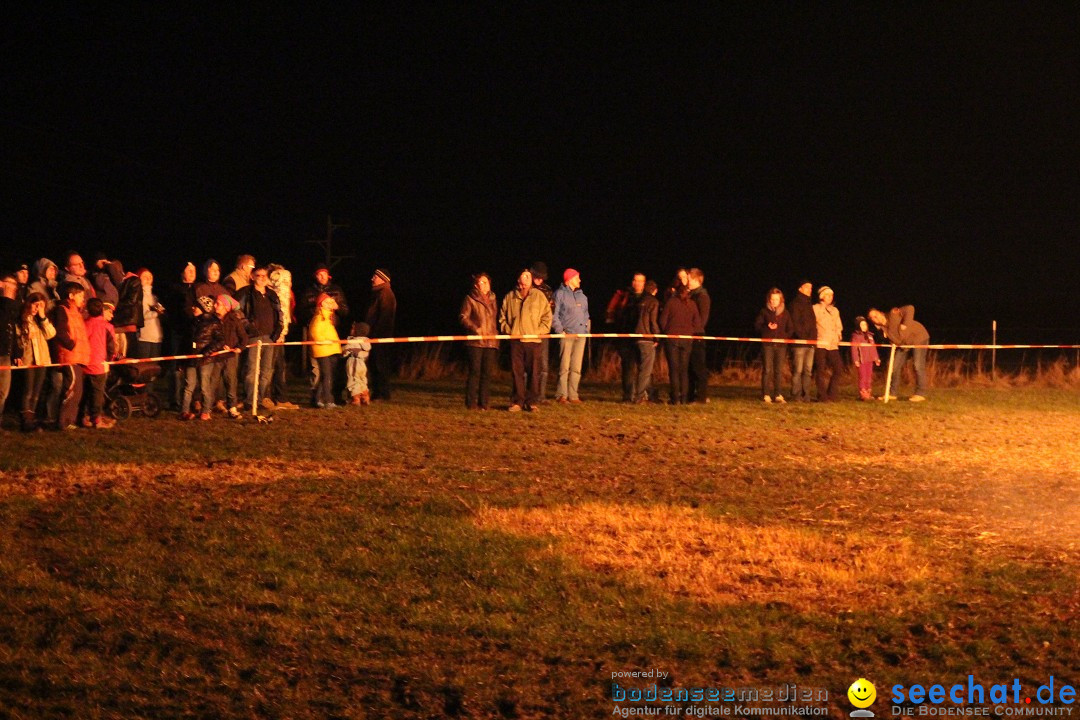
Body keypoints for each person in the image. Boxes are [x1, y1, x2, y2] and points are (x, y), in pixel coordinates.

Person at [498, 268, 552, 412]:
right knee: (517, 372)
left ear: (531, 280)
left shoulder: (539, 296)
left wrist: (538, 332)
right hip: (516, 341)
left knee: (534, 373)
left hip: (533, 341)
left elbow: (547, 317)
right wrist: (509, 331)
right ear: (518, 279)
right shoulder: (510, 297)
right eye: (523, 276)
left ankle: (531, 402)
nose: (526, 279)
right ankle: (517, 401)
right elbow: (502, 317)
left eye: (528, 277)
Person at [300, 265, 349, 400]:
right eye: (319, 274)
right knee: (316, 368)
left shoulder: (336, 290)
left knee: (333, 368)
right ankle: (317, 398)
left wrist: (336, 307)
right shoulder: (309, 291)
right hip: (317, 333)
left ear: (329, 276)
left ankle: (334, 396)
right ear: (315, 276)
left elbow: (345, 311)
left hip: (333, 331)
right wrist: (317, 312)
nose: (322, 277)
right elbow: (302, 312)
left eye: (324, 274)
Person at [237, 266, 282, 410]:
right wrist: (248, 327)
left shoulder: (272, 295)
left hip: (270, 337)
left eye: (264, 275)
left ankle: (260, 399)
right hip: (254, 337)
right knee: (252, 370)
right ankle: (250, 400)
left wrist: (278, 331)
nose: (262, 278)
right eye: (259, 275)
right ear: (252, 276)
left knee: (267, 371)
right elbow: (237, 311)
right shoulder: (245, 293)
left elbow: (280, 313)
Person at [50, 282, 91, 430]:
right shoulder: (62, 309)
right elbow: (61, 331)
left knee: (78, 391)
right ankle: (63, 421)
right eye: (80, 295)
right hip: (70, 356)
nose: (83, 299)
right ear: (71, 295)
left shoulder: (76, 312)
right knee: (71, 389)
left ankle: (70, 421)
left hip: (78, 356)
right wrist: (71, 345)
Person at [868, 306, 930, 402]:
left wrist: (905, 324)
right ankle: (893, 393)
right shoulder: (883, 331)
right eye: (872, 318)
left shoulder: (893, 314)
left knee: (918, 365)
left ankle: (920, 394)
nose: (875, 318)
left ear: (880, 312)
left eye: (875, 315)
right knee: (894, 366)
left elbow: (910, 308)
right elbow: (895, 340)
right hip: (904, 345)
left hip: (918, 337)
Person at [15, 292, 56, 432]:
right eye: (35, 304)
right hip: (28, 360)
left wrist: (43, 316)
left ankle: (31, 419)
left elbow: (51, 334)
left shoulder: (41, 320)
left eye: (40, 306)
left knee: (37, 392)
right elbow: (18, 341)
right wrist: (25, 337)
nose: (37, 308)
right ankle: (25, 421)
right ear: (29, 303)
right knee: (28, 390)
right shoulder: (22, 319)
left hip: (42, 360)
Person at [181, 296, 225, 421]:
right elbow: (185, 341)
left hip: (205, 360)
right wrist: (183, 360)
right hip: (191, 359)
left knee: (205, 386)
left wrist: (207, 352)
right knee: (189, 386)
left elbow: (220, 340)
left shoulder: (214, 323)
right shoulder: (192, 322)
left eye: (197, 306)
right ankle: (184, 411)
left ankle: (206, 411)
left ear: (204, 309)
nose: (194, 308)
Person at [458, 272, 498, 410]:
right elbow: (463, 317)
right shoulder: (470, 298)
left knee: (487, 373)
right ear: (476, 285)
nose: (484, 285)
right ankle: (471, 403)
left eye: (486, 282)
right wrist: (476, 329)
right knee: (475, 372)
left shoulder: (493, 298)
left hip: (491, 341)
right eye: (481, 282)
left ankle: (484, 403)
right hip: (475, 342)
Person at [552, 268, 590, 404]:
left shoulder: (582, 296)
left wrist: (585, 328)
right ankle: (561, 394)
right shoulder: (559, 294)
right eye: (577, 277)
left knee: (576, 367)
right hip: (566, 335)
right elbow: (554, 314)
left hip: (581, 335)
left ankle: (573, 395)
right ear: (569, 279)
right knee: (564, 366)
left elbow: (586, 314)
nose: (579, 280)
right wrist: (560, 330)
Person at [606, 273, 646, 403]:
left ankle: (643, 394)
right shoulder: (624, 296)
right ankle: (628, 395)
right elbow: (611, 314)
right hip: (625, 337)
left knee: (643, 366)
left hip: (642, 336)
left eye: (640, 281)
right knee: (628, 367)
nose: (638, 283)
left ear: (644, 283)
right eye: (636, 280)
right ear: (632, 282)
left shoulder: (647, 298)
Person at [659, 284, 700, 405]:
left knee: (674, 369)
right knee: (684, 369)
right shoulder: (692, 304)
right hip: (687, 339)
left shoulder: (671, 303)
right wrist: (689, 331)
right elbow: (697, 323)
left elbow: (662, 321)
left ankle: (675, 398)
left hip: (672, 338)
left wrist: (668, 331)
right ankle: (684, 398)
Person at [79, 298, 117, 429]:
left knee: (84, 392)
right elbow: (112, 347)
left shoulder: (84, 324)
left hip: (84, 363)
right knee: (97, 394)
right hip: (99, 365)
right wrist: (109, 360)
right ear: (102, 310)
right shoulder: (107, 326)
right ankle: (96, 419)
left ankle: (83, 417)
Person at [267, 264, 298, 409]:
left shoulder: (274, 290)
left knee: (276, 365)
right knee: (275, 365)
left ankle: (276, 397)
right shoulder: (281, 291)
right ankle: (275, 397)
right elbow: (283, 314)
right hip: (276, 334)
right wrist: (281, 333)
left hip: (276, 333)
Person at [755, 287, 793, 403]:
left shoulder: (785, 313)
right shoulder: (764, 312)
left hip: (781, 346)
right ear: (769, 299)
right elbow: (757, 326)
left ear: (780, 300)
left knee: (778, 370)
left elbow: (791, 329)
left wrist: (784, 338)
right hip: (767, 345)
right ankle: (766, 394)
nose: (773, 301)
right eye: (772, 299)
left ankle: (778, 394)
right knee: (767, 370)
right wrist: (767, 327)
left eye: (776, 299)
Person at [365, 269, 396, 401]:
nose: (372, 279)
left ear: (383, 279)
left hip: (380, 337)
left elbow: (385, 317)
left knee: (380, 365)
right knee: (374, 365)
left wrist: (376, 335)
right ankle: (377, 392)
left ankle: (383, 393)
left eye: (375, 277)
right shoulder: (377, 294)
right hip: (374, 336)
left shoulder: (385, 294)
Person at [216, 294, 248, 418]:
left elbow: (244, 337)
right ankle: (214, 405)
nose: (215, 306)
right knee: (214, 381)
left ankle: (232, 407)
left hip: (230, 356)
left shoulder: (234, 320)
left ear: (225, 307)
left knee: (231, 381)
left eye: (218, 303)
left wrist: (239, 348)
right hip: (216, 355)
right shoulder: (213, 319)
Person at [529, 262, 556, 402]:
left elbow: (551, 311)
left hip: (544, 332)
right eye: (537, 277)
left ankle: (541, 395)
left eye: (542, 277)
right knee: (530, 365)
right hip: (529, 332)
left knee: (544, 366)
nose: (539, 279)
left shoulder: (547, 290)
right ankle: (529, 394)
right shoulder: (526, 289)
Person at [309, 293, 342, 409]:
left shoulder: (328, 317)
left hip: (331, 349)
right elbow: (315, 334)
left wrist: (332, 301)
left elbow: (337, 306)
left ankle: (318, 399)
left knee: (327, 376)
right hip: (323, 350)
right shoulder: (319, 317)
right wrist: (326, 341)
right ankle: (328, 400)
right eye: (327, 302)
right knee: (326, 376)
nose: (330, 304)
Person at [813, 286, 844, 402]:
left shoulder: (835, 310)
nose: (830, 297)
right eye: (827, 295)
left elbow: (838, 325)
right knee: (820, 370)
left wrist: (838, 334)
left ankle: (832, 394)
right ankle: (822, 396)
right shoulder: (815, 308)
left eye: (831, 295)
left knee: (838, 368)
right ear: (822, 296)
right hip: (820, 342)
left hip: (833, 344)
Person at [789, 280, 817, 402]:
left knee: (808, 371)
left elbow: (812, 323)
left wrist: (813, 338)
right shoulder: (795, 304)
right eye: (807, 287)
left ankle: (806, 395)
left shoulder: (809, 304)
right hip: (800, 342)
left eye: (811, 288)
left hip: (810, 343)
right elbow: (795, 323)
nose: (810, 290)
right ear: (800, 288)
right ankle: (796, 394)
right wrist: (803, 337)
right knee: (798, 370)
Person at [633, 279, 661, 404]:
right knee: (646, 370)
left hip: (637, 337)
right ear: (655, 291)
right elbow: (653, 322)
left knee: (643, 368)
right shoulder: (653, 302)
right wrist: (657, 337)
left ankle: (650, 395)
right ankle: (639, 397)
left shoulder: (640, 301)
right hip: (647, 338)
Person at [686, 268, 711, 403]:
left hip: (697, 336)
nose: (687, 282)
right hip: (690, 336)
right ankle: (691, 395)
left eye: (689, 279)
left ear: (696, 280)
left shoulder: (702, 297)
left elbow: (703, 319)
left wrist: (692, 329)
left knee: (698, 367)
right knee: (690, 368)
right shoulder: (691, 295)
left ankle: (701, 396)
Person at [0, 275, 19, 424]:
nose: (11, 288)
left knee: (3, 392)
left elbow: (12, 329)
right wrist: (6, 298)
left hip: (6, 354)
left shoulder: (11, 306)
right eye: (8, 284)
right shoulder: (5, 306)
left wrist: (17, 353)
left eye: (14, 285)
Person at [134, 269, 165, 359]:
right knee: (144, 367)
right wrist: (156, 313)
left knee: (154, 367)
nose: (148, 278)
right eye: (145, 276)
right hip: (144, 337)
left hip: (157, 336)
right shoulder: (138, 295)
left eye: (150, 276)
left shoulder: (154, 297)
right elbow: (141, 315)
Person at [850, 316, 881, 401]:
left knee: (868, 377)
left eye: (865, 324)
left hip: (870, 360)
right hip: (862, 360)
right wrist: (856, 359)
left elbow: (873, 348)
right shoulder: (856, 336)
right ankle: (863, 393)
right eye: (862, 325)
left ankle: (868, 392)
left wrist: (876, 358)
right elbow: (854, 349)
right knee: (862, 377)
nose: (864, 326)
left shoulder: (870, 336)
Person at [343, 321, 372, 406]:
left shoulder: (354, 341)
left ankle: (356, 399)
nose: (351, 330)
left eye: (353, 328)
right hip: (362, 363)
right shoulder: (366, 341)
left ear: (357, 331)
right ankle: (365, 397)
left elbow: (346, 350)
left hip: (354, 362)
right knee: (362, 379)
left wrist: (341, 350)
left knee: (353, 379)